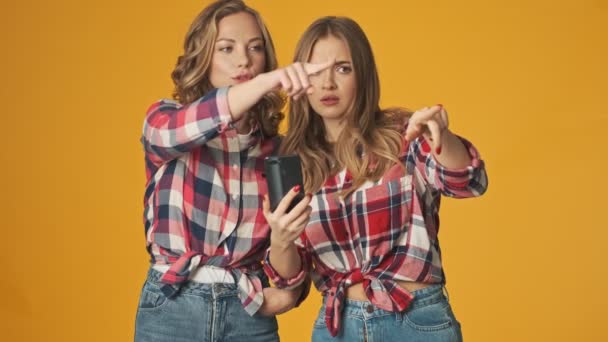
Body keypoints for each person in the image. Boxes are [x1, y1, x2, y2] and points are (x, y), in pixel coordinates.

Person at [262, 16, 488, 341]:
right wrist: (281, 240)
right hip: (337, 328)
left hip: (415, 321)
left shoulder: (401, 133)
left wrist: (444, 136)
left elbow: (468, 181)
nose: (327, 84)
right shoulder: (294, 163)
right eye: (315, 70)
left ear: (363, 75)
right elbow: (290, 280)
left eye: (343, 68)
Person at [134, 1, 330, 341]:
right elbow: (180, 130)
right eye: (227, 48)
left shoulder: (278, 154)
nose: (245, 61)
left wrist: (290, 293)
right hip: (172, 309)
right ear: (203, 57)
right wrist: (267, 82)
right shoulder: (165, 120)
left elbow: (295, 261)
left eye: (256, 48)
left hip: (247, 315)